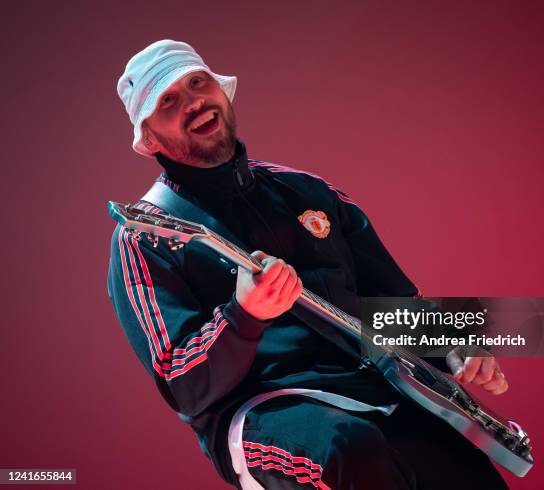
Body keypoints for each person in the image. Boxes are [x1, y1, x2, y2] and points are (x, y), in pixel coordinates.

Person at [108, 39, 509, 489]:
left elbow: (391, 302)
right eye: (168, 101)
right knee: (350, 448)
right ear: (150, 139)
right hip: (263, 407)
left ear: (221, 92)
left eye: (198, 83)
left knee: (466, 468)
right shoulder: (145, 238)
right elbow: (184, 385)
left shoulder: (310, 191)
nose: (193, 102)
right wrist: (244, 316)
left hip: (375, 383)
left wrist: (453, 345)